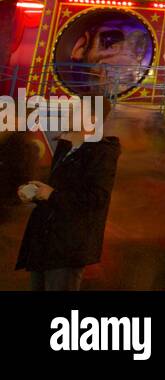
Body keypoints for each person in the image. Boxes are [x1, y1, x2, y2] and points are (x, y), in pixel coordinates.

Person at [15, 98, 120, 291]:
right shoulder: (65, 146)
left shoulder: (102, 152)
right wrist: (36, 193)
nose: (69, 114)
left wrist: (52, 195)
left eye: (76, 110)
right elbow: (56, 188)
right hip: (45, 242)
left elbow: (97, 198)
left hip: (68, 245)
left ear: (92, 119)